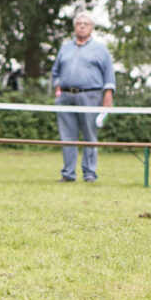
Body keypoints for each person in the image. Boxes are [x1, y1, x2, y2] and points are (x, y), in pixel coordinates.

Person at [50, 11, 115, 182]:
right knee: (67, 136)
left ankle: (89, 173)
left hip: (90, 95)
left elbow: (109, 73)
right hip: (65, 97)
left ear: (91, 27)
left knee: (89, 134)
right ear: (74, 27)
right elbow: (55, 71)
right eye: (79, 24)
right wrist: (57, 86)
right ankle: (68, 173)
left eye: (86, 24)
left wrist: (108, 95)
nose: (82, 26)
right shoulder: (65, 48)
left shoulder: (100, 49)